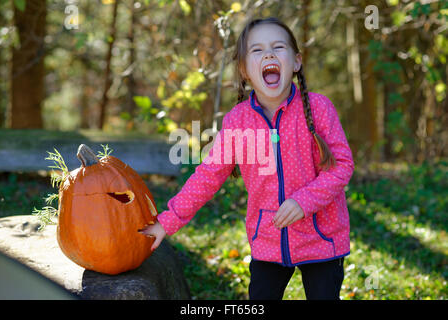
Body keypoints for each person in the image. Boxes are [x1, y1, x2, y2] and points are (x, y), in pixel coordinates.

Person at [139, 17, 355, 300]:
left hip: (323, 237)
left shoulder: (318, 108)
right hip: (269, 239)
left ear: (297, 62)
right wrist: (168, 221)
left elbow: (341, 167)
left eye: (278, 47)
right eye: (257, 50)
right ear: (244, 70)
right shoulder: (238, 121)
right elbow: (208, 175)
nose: (269, 54)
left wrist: (303, 202)